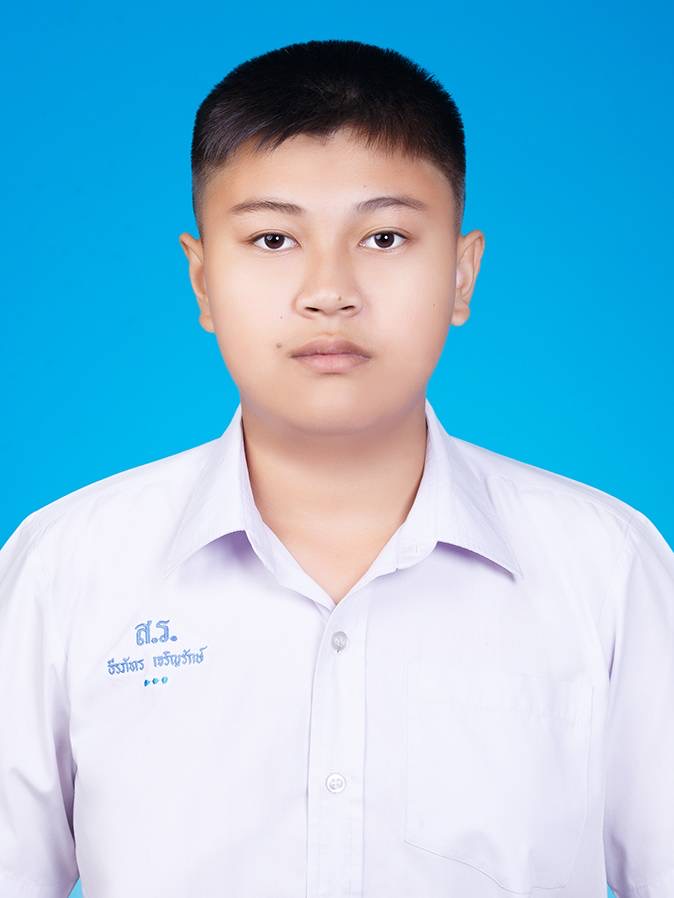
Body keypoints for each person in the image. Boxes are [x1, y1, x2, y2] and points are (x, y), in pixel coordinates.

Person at [1, 38, 672, 898]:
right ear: (202, 280)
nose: (329, 291)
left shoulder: (605, 567)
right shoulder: (67, 568)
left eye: (384, 237)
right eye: (273, 238)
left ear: (461, 273)